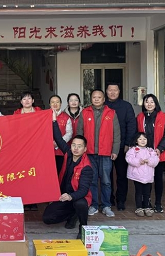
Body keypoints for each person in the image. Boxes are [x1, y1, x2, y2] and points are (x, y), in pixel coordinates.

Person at [43, 110, 93, 239]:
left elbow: (83, 191)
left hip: (77, 197)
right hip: (64, 196)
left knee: (80, 204)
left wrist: (70, 196)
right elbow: (58, 138)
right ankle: (72, 214)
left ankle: (83, 227)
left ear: (85, 149)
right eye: (74, 145)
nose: (76, 148)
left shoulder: (87, 167)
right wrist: (54, 120)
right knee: (47, 218)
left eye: (79, 146)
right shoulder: (68, 153)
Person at [77, 89, 120, 217]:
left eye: (99, 97)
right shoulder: (85, 112)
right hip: (89, 153)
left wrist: (115, 150)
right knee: (92, 180)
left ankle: (106, 205)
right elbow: (79, 132)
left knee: (106, 181)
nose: (96, 99)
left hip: (106, 153)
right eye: (94, 97)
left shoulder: (111, 113)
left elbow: (117, 134)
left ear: (103, 99)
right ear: (91, 99)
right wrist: (80, 149)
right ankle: (94, 205)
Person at [136, 94, 165, 213]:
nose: (149, 104)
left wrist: (160, 149)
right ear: (143, 104)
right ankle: (146, 202)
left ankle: (158, 203)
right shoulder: (140, 117)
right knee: (145, 179)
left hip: (157, 153)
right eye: (147, 101)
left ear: (156, 103)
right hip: (144, 153)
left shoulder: (163, 116)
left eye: (152, 102)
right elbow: (137, 134)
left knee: (158, 178)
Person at [105, 82, 137, 211]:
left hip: (122, 146)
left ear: (119, 91)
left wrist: (128, 143)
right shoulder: (102, 106)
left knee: (121, 175)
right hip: (105, 146)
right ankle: (109, 199)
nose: (112, 92)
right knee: (106, 175)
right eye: (110, 90)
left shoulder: (126, 106)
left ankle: (121, 200)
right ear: (106, 91)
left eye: (115, 90)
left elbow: (132, 125)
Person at [126, 132, 160, 217]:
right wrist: (138, 161)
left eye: (144, 139)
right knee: (138, 192)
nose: (142, 141)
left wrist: (149, 161)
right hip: (137, 176)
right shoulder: (133, 150)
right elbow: (129, 158)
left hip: (148, 176)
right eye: (140, 139)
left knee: (147, 192)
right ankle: (139, 207)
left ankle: (147, 207)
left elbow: (156, 159)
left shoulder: (150, 150)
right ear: (136, 141)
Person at [49, 95, 73, 174]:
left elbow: (69, 133)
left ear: (61, 103)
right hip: (48, 150)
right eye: (52, 102)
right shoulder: (45, 116)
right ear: (49, 104)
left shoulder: (66, 117)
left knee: (60, 172)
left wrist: (59, 143)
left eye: (57, 102)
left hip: (61, 151)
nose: (55, 104)